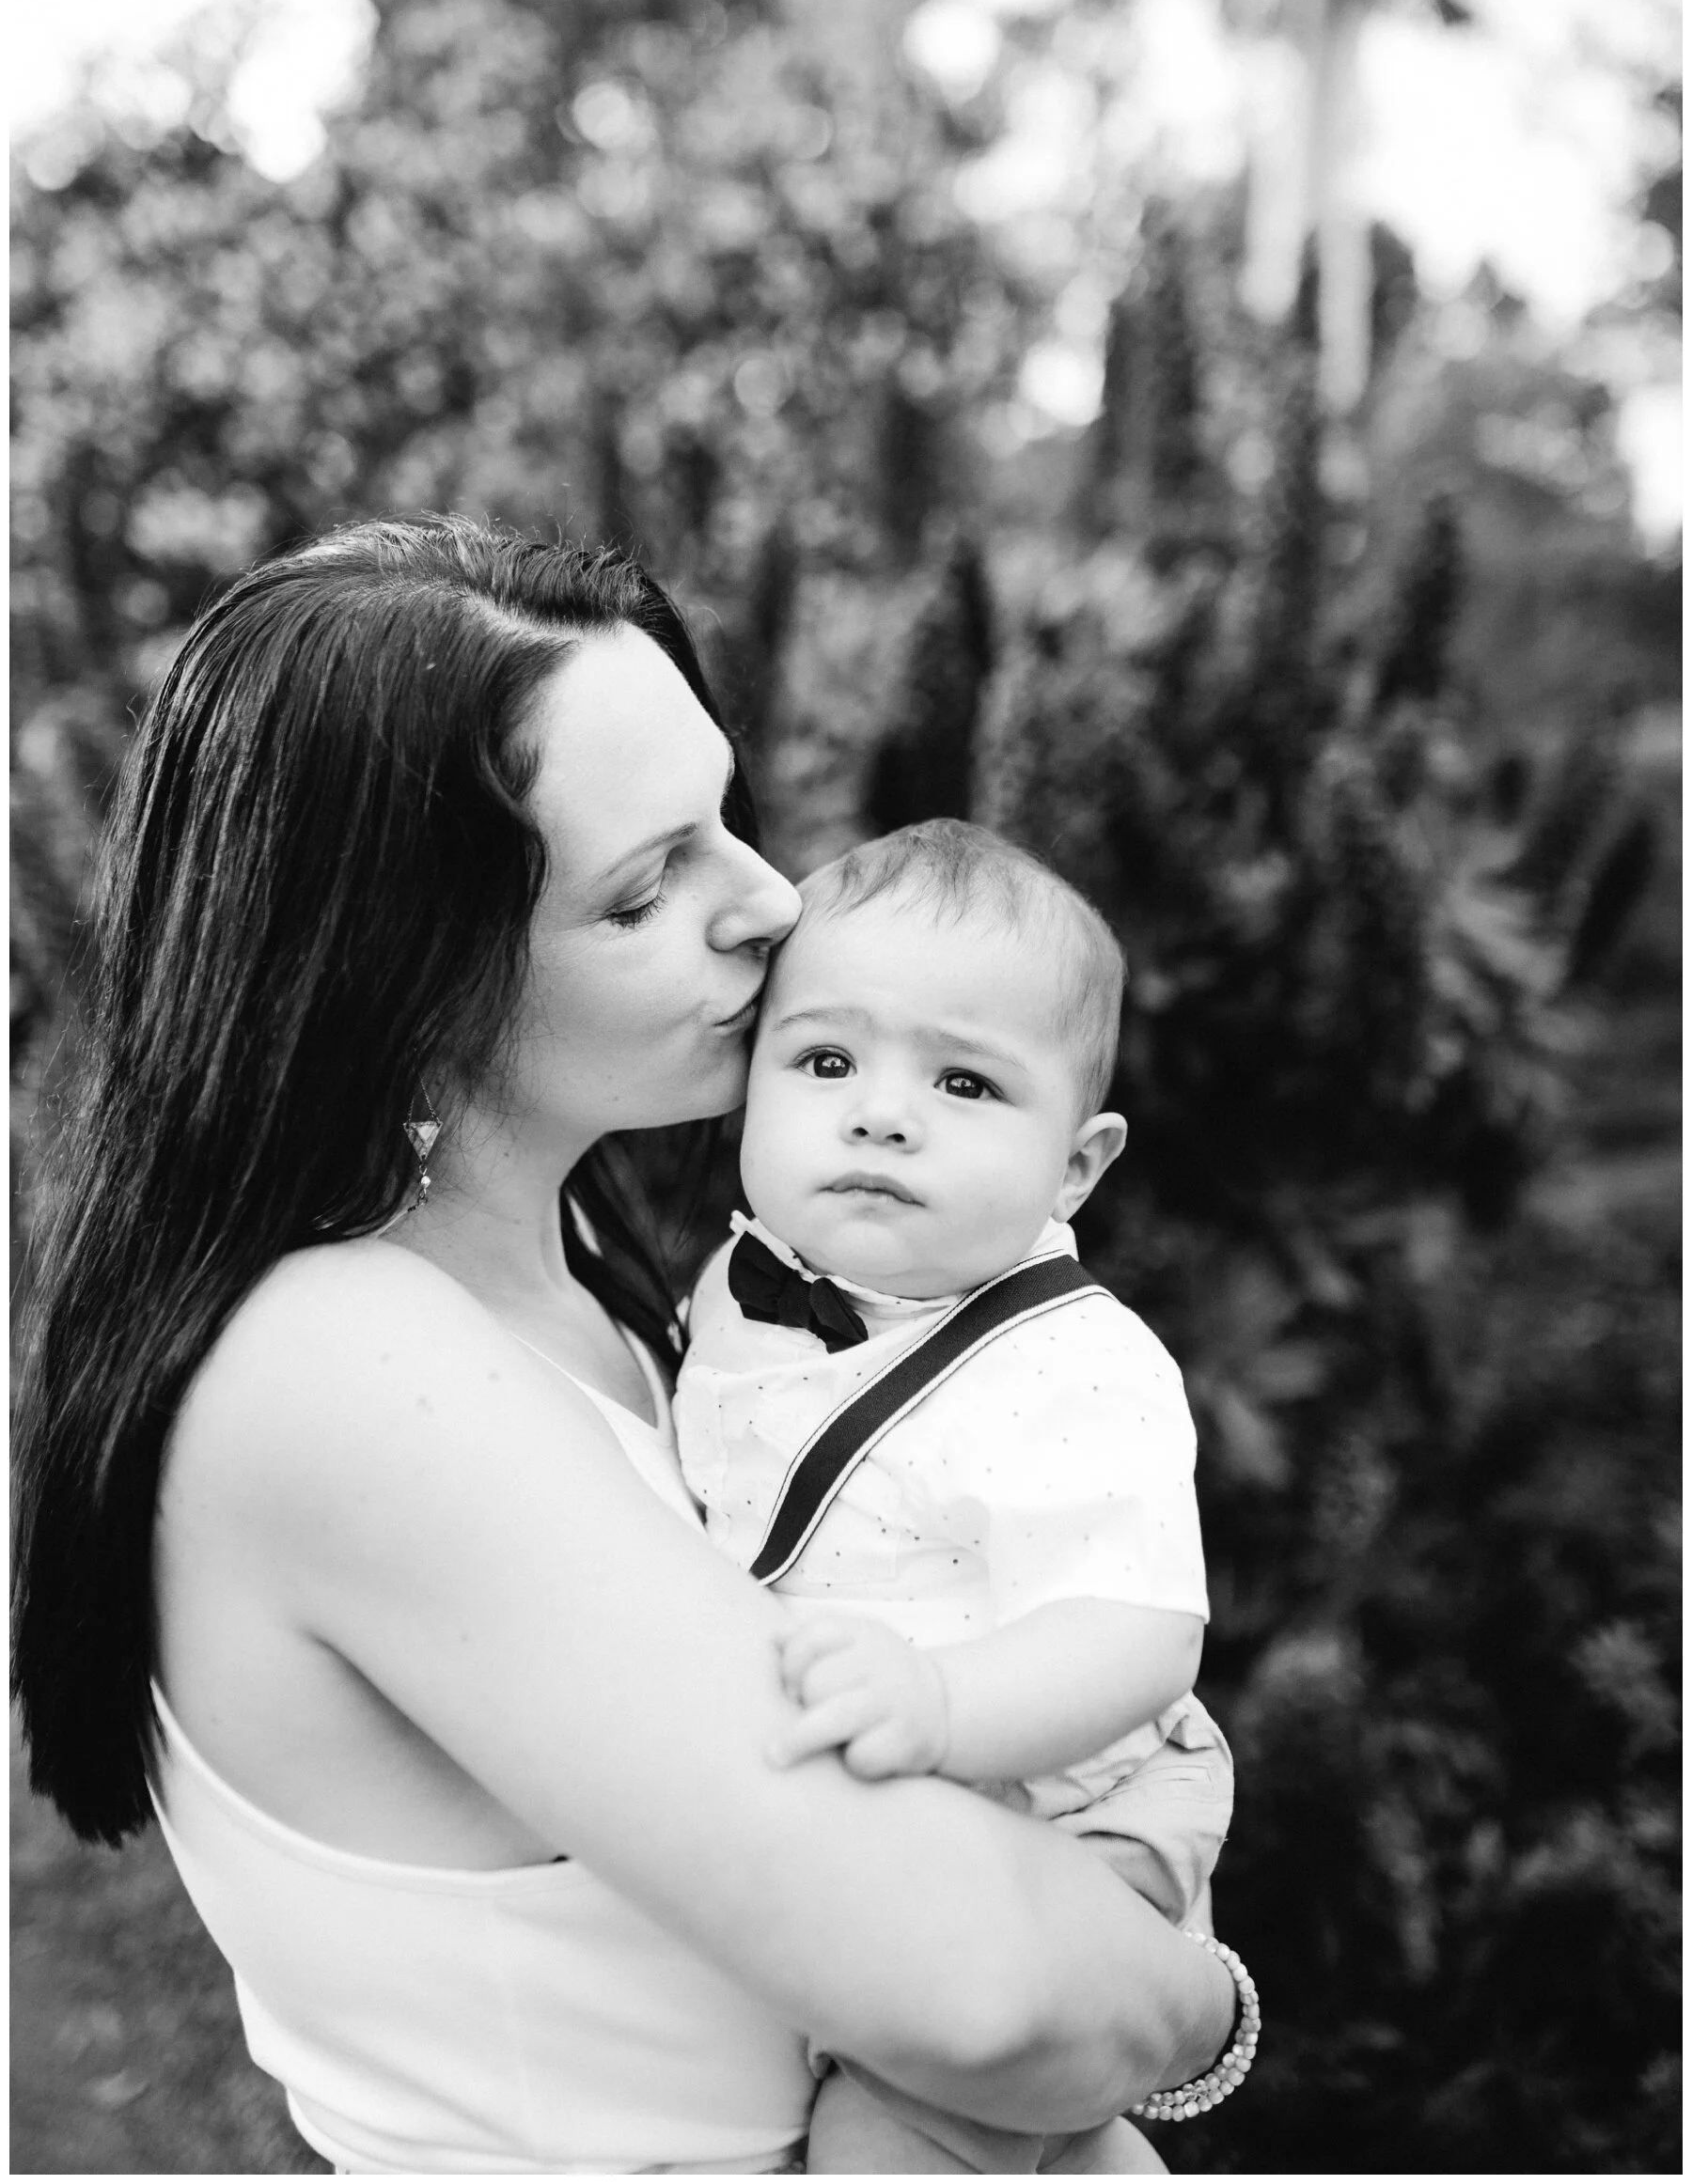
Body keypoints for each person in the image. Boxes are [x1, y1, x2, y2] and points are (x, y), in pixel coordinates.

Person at [12, 515, 1244, 2176]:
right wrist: (1195, 1996)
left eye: (728, 818)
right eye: (651, 883)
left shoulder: (602, 1292)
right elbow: (987, 1989)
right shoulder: (347, 1371)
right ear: (404, 975)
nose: (771, 900)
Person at [677, 821, 1244, 2173]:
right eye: (826, 1061)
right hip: (899, 1830)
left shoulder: (1072, 1365)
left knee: (888, 2129)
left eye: (966, 1082)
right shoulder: (741, 1290)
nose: (882, 1112)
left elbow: (1138, 1632)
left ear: (1076, 1167)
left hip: (1059, 1821)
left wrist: (939, 1705)